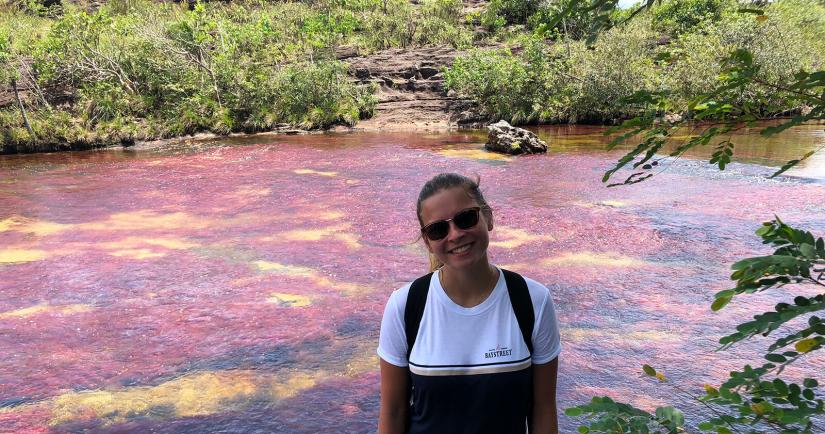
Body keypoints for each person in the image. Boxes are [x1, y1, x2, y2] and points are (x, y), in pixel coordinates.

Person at [377, 173, 561, 434]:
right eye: (438, 229)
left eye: (466, 218)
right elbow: (393, 413)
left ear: (489, 218)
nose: (455, 235)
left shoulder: (532, 301)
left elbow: (543, 410)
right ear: (428, 242)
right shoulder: (404, 306)